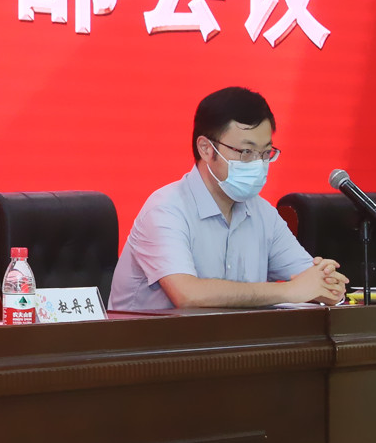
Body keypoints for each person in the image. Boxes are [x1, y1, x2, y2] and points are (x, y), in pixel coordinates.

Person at [109, 86, 348, 311]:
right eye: (246, 152)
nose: (258, 163)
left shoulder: (263, 213)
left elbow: (311, 280)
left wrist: (327, 283)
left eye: (266, 152)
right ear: (206, 148)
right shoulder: (166, 209)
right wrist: (289, 291)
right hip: (150, 341)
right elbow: (188, 295)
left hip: (233, 340)